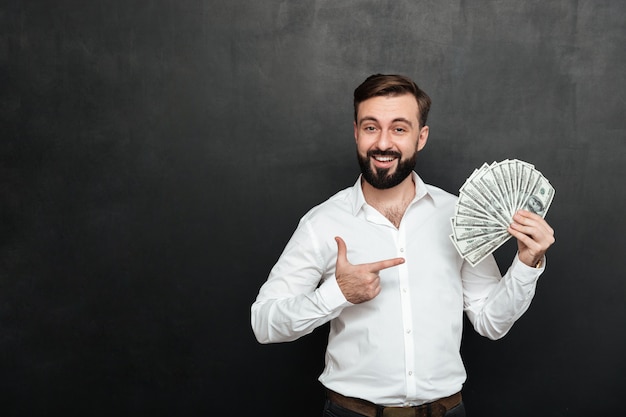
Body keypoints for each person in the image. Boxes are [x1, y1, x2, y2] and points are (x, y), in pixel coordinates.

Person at [251, 74, 555, 417]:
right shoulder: (321, 222)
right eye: (370, 127)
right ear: (356, 132)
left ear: (420, 137)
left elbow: (491, 322)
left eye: (399, 128)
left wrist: (528, 262)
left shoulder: (459, 216)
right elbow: (264, 324)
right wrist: (336, 293)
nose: (383, 143)